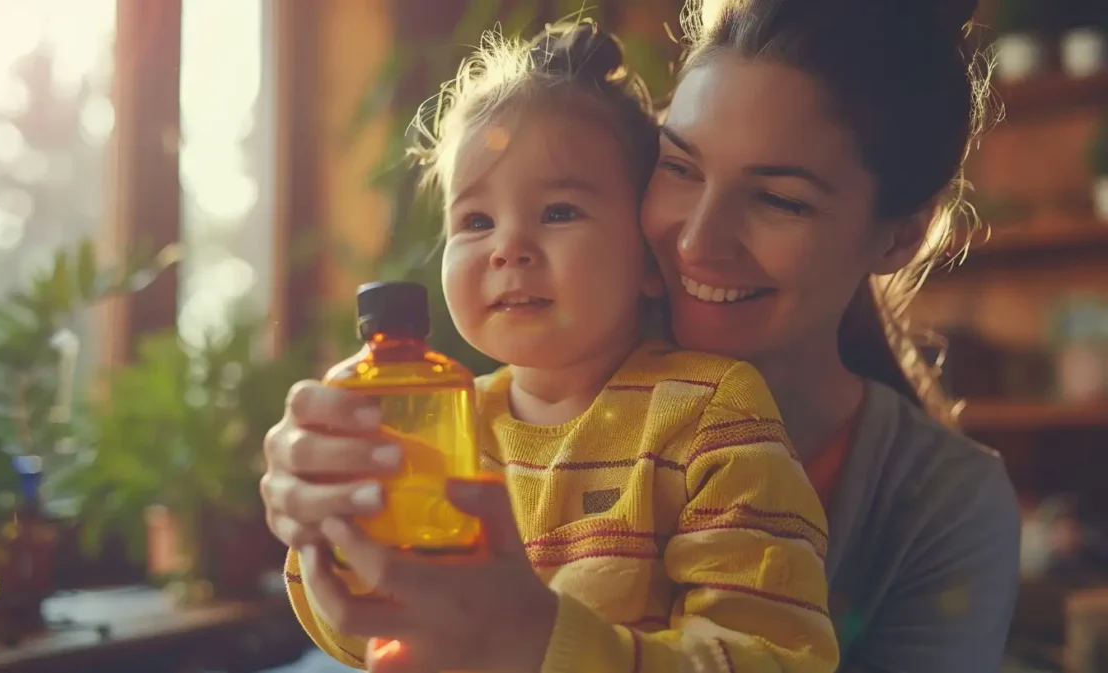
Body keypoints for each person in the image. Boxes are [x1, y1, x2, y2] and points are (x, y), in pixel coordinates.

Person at [264, 0, 1022, 670]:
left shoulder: (940, 503)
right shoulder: (496, 403)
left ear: (898, 237)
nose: (695, 240)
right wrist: (332, 537)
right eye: (681, 167)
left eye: (779, 200)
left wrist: (534, 639)